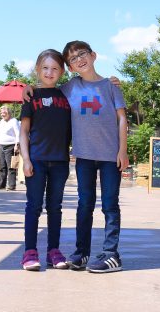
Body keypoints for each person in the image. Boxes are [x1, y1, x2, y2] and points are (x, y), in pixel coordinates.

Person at [24, 41, 128, 273]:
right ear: (69, 67)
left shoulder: (111, 86)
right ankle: (82, 253)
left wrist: (123, 150)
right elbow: (45, 89)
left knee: (110, 205)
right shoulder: (70, 87)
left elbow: (122, 118)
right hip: (83, 157)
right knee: (84, 205)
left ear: (93, 55)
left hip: (111, 156)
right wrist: (27, 87)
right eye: (72, 59)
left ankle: (112, 255)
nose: (79, 59)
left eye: (82, 54)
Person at [18, 49, 72, 271]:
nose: (50, 72)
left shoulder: (67, 95)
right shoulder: (30, 97)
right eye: (45, 68)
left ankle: (53, 251)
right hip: (37, 161)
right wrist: (26, 159)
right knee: (34, 206)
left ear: (62, 71)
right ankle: (30, 252)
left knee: (55, 207)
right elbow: (24, 132)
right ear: (37, 70)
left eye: (55, 68)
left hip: (60, 162)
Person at [0, 105, 19, 190]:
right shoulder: (1, 121)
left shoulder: (14, 121)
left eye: (4, 113)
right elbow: (0, 133)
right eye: (1, 113)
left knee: (11, 166)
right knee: (2, 166)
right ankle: (2, 184)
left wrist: (17, 145)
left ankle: (12, 185)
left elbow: (18, 133)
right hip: (1, 145)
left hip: (10, 145)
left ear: (8, 113)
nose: (2, 114)